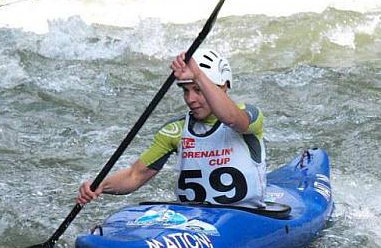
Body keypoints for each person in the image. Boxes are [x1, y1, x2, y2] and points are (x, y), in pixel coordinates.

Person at [76, 49, 266, 209]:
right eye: (186, 90)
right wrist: (100, 185)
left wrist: (199, 76)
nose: (190, 99)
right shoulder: (175, 130)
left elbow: (232, 118)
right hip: (193, 221)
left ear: (223, 87)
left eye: (198, 90)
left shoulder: (249, 114)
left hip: (244, 215)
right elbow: (135, 175)